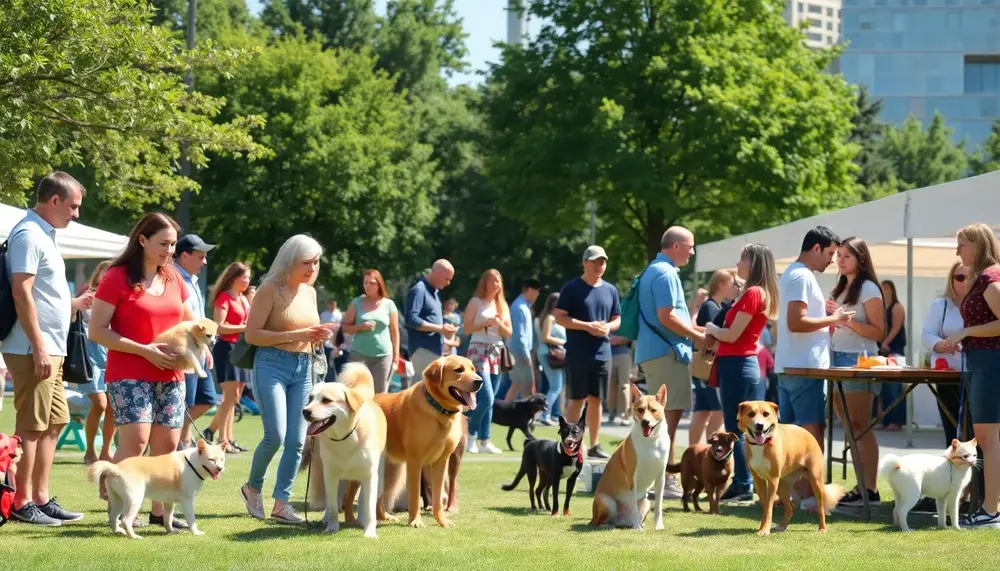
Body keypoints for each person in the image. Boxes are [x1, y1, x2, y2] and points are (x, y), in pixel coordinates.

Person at [89, 212, 197, 529]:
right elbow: (97, 330)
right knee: (136, 443)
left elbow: (189, 323)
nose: (169, 250)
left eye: (173, 244)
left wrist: (198, 348)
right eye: (163, 243)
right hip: (129, 371)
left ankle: (160, 514)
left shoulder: (175, 278)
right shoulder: (116, 276)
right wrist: (144, 350)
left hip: (171, 374)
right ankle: (122, 512)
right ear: (142, 240)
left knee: (166, 448)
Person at [2, 172, 91, 526]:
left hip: (51, 348)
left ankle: (40, 497)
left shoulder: (44, 235)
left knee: (55, 421)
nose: (76, 214)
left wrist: (76, 303)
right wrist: (39, 346)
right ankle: (22, 501)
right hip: (32, 348)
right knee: (33, 425)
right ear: (53, 201)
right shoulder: (28, 234)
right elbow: (20, 292)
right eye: (73, 206)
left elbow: (45, 298)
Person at [239, 235, 333, 524]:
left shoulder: (310, 292)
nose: (312, 268)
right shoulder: (269, 289)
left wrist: (319, 335)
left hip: (304, 366)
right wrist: (298, 335)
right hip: (271, 364)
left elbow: (308, 329)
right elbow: (251, 335)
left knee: (297, 440)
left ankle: (281, 504)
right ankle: (253, 487)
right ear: (290, 261)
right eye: (306, 262)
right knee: (275, 435)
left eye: (316, 262)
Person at [775, 225, 851, 504]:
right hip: (804, 368)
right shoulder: (801, 277)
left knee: (794, 437)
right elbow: (797, 322)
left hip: (793, 365)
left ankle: (795, 496)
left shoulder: (794, 274)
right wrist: (835, 319)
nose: (832, 259)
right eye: (830, 252)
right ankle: (810, 498)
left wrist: (826, 313)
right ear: (816, 248)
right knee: (810, 435)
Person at [704, 243, 779, 503]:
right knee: (746, 429)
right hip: (738, 364)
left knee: (737, 428)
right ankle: (746, 482)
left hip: (737, 364)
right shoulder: (755, 293)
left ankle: (743, 483)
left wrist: (711, 328)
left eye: (742, 259)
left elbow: (733, 334)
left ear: (754, 262)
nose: (738, 264)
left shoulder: (754, 293)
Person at [634, 227, 703, 494]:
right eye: (690, 246)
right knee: (664, 420)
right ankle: (665, 481)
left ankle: (661, 478)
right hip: (666, 353)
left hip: (657, 352)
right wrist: (696, 335)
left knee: (660, 420)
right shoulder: (665, 272)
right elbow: (667, 316)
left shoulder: (653, 270)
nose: (692, 252)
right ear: (676, 246)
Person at [941, 223, 1000, 529]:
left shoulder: (991, 277)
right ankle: (990, 508)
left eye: (962, 245)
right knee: (989, 439)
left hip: (990, 362)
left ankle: (991, 511)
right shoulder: (986, 277)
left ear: (977, 245)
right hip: (982, 361)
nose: (958, 251)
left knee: (989, 441)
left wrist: (967, 331)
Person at [827, 237, 886, 508]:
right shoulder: (840, 288)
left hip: (861, 360)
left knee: (861, 426)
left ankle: (870, 490)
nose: (840, 260)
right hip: (837, 358)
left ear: (861, 259)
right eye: (838, 255)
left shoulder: (870, 288)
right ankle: (862, 487)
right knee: (850, 428)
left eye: (846, 256)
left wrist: (846, 321)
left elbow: (878, 331)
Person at [916, 260, 975, 515]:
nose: (962, 282)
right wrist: (943, 345)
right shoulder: (940, 305)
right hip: (948, 374)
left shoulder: (984, 304)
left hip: (978, 374)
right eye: (958, 277)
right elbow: (927, 335)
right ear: (951, 280)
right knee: (952, 434)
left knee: (977, 435)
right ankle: (949, 492)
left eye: (968, 277)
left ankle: (976, 494)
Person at [554, 245, 621, 460]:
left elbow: (617, 319)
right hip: (578, 352)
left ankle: (594, 444)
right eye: (594, 261)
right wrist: (587, 326)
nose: (599, 265)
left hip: (603, 353)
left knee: (597, 399)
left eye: (602, 261)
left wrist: (607, 328)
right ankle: (570, 444)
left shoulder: (611, 290)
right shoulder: (572, 288)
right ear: (584, 263)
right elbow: (559, 316)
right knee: (576, 399)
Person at [173, 234, 219, 451]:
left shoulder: (190, 279)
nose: (205, 262)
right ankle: (177, 442)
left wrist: (205, 347)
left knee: (208, 398)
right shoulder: (173, 278)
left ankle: (182, 436)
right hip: (185, 350)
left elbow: (198, 318)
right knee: (186, 402)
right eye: (200, 257)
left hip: (199, 348)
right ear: (184, 256)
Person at [204, 262, 253, 453]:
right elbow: (219, 326)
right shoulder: (224, 297)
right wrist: (245, 328)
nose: (247, 281)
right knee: (230, 396)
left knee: (236, 397)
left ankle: (228, 438)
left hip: (241, 348)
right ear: (233, 278)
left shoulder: (242, 298)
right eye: (244, 277)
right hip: (226, 348)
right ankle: (222, 440)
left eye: (248, 277)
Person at [463, 269, 512, 454]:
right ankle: (470, 433)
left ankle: (485, 440)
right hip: (478, 351)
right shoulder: (476, 302)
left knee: (490, 401)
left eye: (498, 281)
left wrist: (499, 324)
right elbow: (466, 328)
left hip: (497, 352)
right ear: (484, 283)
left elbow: (509, 333)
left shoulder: (502, 305)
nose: (495, 285)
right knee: (486, 397)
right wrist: (485, 323)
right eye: (491, 281)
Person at [689, 269, 738, 446]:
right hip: (709, 367)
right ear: (720, 285)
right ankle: (710, 450)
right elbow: (712, 335)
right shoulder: (711, 307)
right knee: (717, 411)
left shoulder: (712, 305)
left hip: (705, 367)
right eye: (732, 284)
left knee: (703, 411)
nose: (735, 287)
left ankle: (695, 451)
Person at [77, 261, 115, 466]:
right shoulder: (89, 296)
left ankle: (106, 451)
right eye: (105, 273)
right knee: (100, 403)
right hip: (90, 355)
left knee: (113, 407)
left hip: (112, 355)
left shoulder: (119, 297)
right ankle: (90, 450)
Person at [341, 269, 400, 393]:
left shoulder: (389, 304)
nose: (367, 286)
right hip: (359, 355)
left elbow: (395, 332)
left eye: (372, 283)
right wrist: (360, 326)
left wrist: (396, 357)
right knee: (354, 392)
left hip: (383, 357)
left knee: (380, 394)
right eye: (365, 283)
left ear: (379, 284)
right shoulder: (356, 302)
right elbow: (345, 328)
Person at [404, 260, 457, 379]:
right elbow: (411, 319)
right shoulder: (419, 289)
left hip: (433, 350)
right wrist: (440, 329)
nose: (448, 283)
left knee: (428, 390)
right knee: (423, 388)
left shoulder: (435, 293)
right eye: (447, 279)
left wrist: (445, 336)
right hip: (422, 349)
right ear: (438, 274)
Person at [878, 279, 907, 431]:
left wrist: (885, 342)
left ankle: (897, 420)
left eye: (887, 288)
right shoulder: (881, 308)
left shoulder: (897, 307)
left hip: (894, 350)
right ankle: (886, 420)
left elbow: (896, 328)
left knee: (895, 387)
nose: (884, 291)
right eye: (882, 288)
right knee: (884, 387)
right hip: (883, 352)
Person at [508, 278, 541, 401]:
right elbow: (520, 335)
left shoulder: (524, 306)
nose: (538, 294)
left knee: (516, 385)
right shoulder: (520, 307)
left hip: (520, 351)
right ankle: (522, 417)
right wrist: (527, 357)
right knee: (526, 387)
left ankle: (502, 413)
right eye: (536, 290)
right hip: (520, 352)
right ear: (529, 289)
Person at [536, 292, 567, 426]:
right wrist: (564, 342)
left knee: (555, 386)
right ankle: (544, 414)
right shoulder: (550, 318)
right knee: (556, 387)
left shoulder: (555, 318)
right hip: (549, 354)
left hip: (552, 354)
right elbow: (545, 337)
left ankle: (546, 414)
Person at [607, 335, 632, 425]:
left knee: (624, 386)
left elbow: (630, 337)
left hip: (624, 354)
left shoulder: (624, 321)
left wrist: (618, 340)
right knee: (610, 386)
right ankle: (612, 413)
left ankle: (625, 415)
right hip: (608, 354)